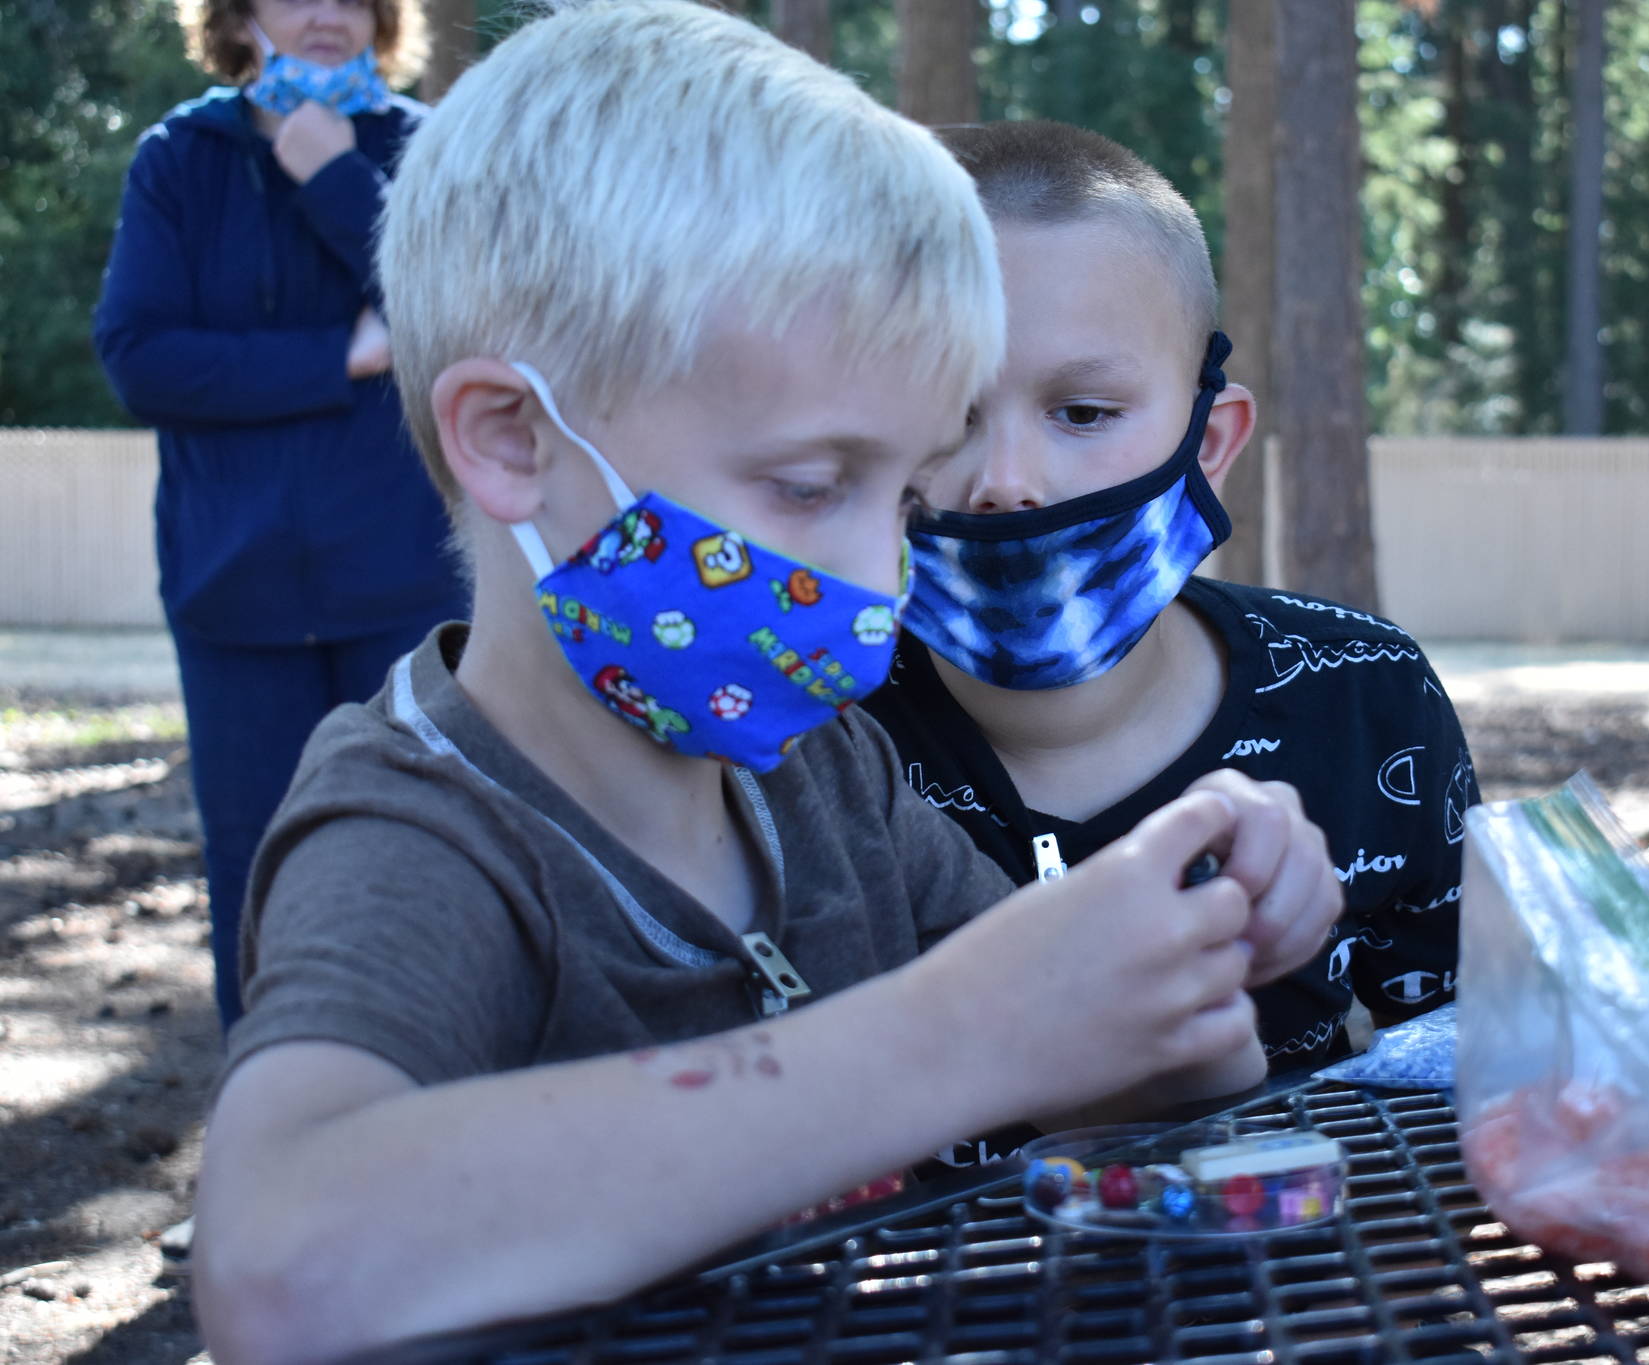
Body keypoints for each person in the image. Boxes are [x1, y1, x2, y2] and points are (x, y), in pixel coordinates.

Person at [189, 6, 1344, 1360]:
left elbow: (1104, 1088)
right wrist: (954, 1037)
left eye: (905, 496)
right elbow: (274, 1266)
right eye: (810, 486)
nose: (880, 572)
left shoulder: (817, 776)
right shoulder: (422, 834)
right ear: (510, 438)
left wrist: (1191, 956)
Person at [867, 121, 1478, 1074]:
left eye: (1082, 412)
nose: (1007, 483)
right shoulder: (798, 735)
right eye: (948, 411)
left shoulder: (1368, 695)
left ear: (1209, 445)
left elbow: (1468, 1059)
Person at [93, 0, 468, 1029]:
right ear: (238, 18)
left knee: (427, 853)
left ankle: (424, 1105)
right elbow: (141, 359)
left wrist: (336, 180)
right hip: (235, 591)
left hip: (407, 585)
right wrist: (337, 359)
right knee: (257, 864)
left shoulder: (429, 152)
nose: (322, 15)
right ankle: (274, 1125)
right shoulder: (179, 158)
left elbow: (456, 324)